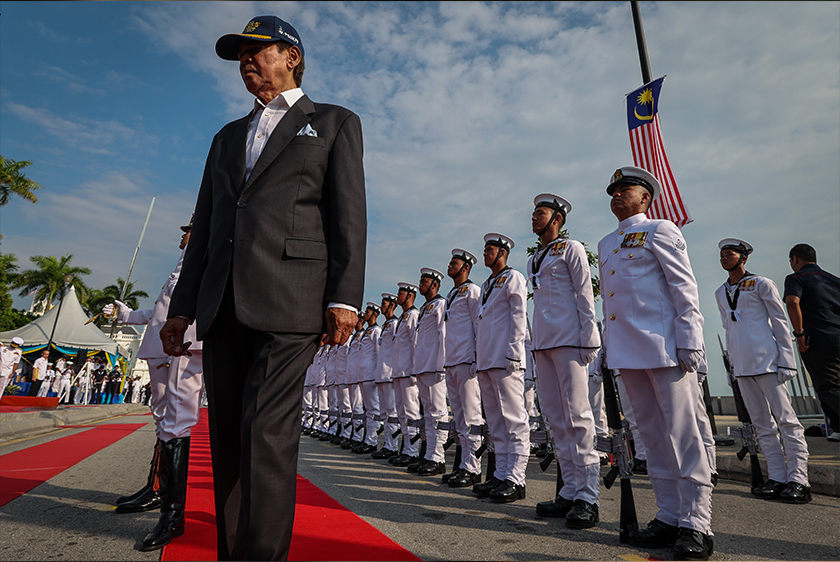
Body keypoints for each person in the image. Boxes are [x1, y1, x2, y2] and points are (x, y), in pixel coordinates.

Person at [159, 14, 366, 560]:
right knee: (227, 435)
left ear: (292, 55)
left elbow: (348, 216)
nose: (248, 62)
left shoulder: (334, 122)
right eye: (240, 56)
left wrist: (344, 297)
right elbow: (205, 225)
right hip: (223, 301)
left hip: (293, 300)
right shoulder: (227, 137)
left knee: (266, 434)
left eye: (259, 50)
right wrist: (181, 308)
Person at [598, 166, 713, 560]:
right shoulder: (606, 242)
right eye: (612, 190)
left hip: (664, 347)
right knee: (651, 437)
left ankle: (696, 523)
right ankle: (668, 516)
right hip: (628, 351)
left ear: (646, 197)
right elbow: (611, 302)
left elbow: (683, 286)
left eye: (624, 189)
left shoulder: (661, 230)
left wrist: (691, 339)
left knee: (684, 434)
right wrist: (607, 348)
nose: (616, 195)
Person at [105, 218, 205, 552]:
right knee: (164, 419)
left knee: (176, 421)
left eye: (187, 230)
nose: (183, 236)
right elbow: (163, 308)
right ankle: (157, 488)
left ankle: (172, 515)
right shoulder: (185, 258)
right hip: (160, 342)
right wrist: (128, 315)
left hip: (183, 344)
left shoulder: (205, 252)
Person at [716, 238, 811, 502]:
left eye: (730, 253)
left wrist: (787, 359)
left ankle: (799, 480)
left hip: (768, 363)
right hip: (743, 366)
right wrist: (732, 366)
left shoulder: (761, 283)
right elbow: (729, 328)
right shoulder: (720, 292)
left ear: (743, 258)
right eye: (722, 254)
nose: (724, 257)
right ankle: (778, 477)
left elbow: (780, 321)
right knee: (762, 425)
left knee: (787, 421)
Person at [528, 194, 601, 529]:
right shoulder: (535, 257)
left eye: (539, 213)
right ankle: (569, 490)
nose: (533, 217)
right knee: (556, 420)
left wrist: (590, 337)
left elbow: (585, 292)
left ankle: (588, 497)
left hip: (570, 340)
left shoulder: (570, 248)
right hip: (543, 344)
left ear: (556, 218)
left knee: (578, 417)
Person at [472, 233, 530, 504]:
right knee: (496, 422)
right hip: (486, 359)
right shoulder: (486, 284)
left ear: (503, 252)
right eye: (485, 249)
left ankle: (516, 478)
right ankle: (501, 473)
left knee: (514, 420)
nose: (485, 253)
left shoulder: (513, 277)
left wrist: (515, 352)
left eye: (490, 249)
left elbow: (519, 315)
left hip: (505, 358)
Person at [784, 243, 840, 442]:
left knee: (827, 387)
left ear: (795, 259)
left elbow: (792, 302)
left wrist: (799, 334)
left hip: (817, 340)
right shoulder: (834, 280)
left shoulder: (795, 278)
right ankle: (837, 427)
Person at [442, 249, 485, 488]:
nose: (450, 266)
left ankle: (472, 467)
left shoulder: (472, 291)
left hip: (467, 362)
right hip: (452, 361)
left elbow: (478, 326)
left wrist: (477, 358)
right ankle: (462, 464)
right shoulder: (452, 293)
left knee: (470, 417)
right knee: (459, 419)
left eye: (454, 263)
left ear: (465, 268)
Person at [410, 268, 449, 476]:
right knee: (427, 415)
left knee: (437, 413)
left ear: (434, 284)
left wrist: (441, 365)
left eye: (423, 281)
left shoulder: (441, 304)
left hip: (434, 366)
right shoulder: (425, 308)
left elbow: (443, 335)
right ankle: (428, 455)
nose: (420, 284)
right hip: (423, 367)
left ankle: (438, 457)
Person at [390, 283, 422, 467]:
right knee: (402, 413)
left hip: (408, 372)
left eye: (400, 293)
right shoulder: (404, 317)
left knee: (411, 413)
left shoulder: (413, 315)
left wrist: (414, 370)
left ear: (410, 295)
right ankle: (406, 449)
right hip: (399, 372)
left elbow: (415, 345)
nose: (397, 296)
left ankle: (412, 451)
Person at [372, 293, 401, 459]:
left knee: (392, 412)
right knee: (385, 414)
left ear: (392, 305)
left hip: (390, 374)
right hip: (381, 374)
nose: (382, 306)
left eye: (384, 304)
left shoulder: (396, 323)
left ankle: (393, 446)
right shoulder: (387, 325)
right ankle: (388, 444)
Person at [353, 303, 382, 455]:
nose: (366, 314)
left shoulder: (376, 331)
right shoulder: (366, 332)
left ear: (375, 314)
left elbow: (378, 353)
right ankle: (367, 439)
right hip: (363, 375)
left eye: (369, 311)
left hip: (371, 375)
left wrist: (377, 373)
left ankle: (372, 441)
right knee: (369, 410)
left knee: (373, 409)